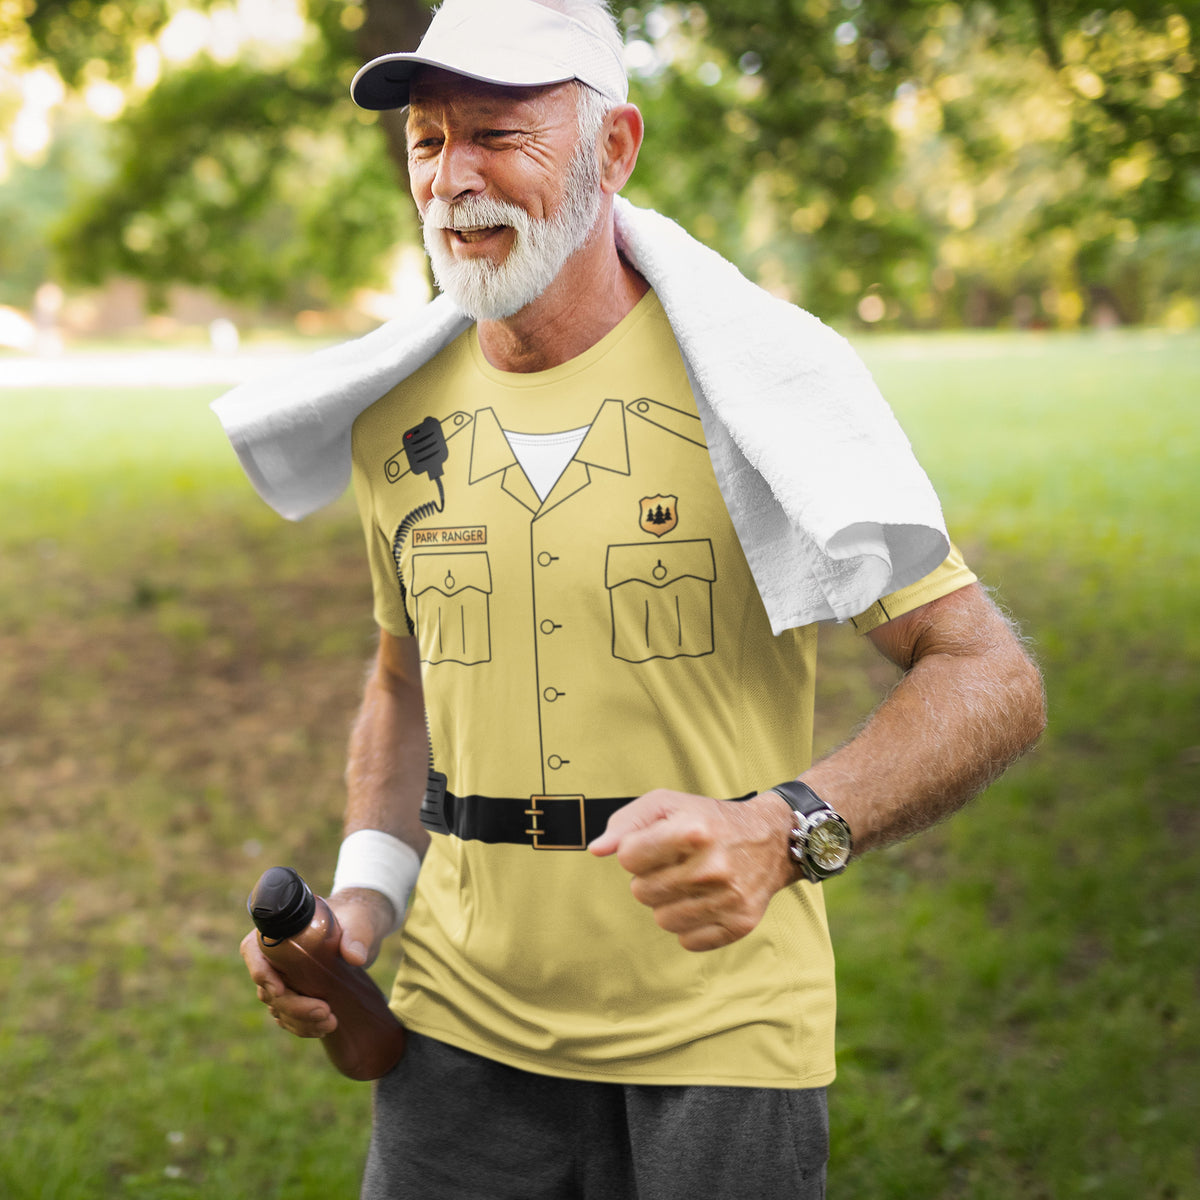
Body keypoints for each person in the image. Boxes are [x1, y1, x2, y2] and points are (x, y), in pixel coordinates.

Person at [229, 1, 1046, 1196]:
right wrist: (362, 900)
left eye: (499, 134)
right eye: (426, 141)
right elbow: (408, 678)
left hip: (721, 1041)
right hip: (454, 1025)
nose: (453, 178)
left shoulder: (761, 392)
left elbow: (992, 675)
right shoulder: (394, 420)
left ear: (613, 149)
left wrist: (788, 827)